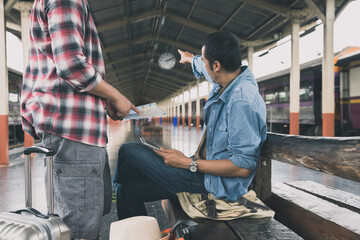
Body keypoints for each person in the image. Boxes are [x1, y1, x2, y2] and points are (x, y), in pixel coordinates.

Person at [112, 31, 267, 220]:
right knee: (126, 191)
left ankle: (112, 189)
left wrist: (188, 163)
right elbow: (204, 67)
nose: (203, 64)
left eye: (204, 59)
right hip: (203, 174)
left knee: (129, 151)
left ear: (217, 65)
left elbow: (243, 167)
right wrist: (190, 59)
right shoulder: (227, 80)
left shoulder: (241, 101)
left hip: (214, 185)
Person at [20, 0, 140, 239]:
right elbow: (72, 65)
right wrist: (116, 96)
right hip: (72, 129)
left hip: (74, 125)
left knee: (86, 215)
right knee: (79, 228)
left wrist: (103, 103)